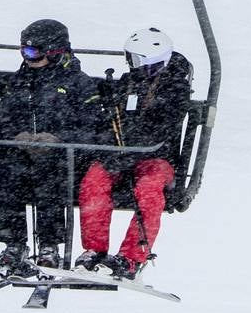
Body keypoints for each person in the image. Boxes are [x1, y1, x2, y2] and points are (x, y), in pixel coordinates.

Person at [0, 18, 102, 275]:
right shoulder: (21, 80)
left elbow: (91, 125)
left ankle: (49, 244)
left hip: (65, 156)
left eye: (33, 52)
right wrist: (17, 136)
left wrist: (58, 140)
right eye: (24, 51)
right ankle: (14, 244)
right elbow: (4, 116)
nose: (28, 58)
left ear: (54, 51)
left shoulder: (78, 83)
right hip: (24, 153)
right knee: (9, 173)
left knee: (48, 176)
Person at [79, 27, 192, 277]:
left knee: (149, 189)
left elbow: (161, 128)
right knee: (94, 182)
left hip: (156, 157)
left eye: (137, 59)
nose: (132, 65)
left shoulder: (175, 89)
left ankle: (131, 257)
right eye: (130, 58)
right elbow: (110, 123)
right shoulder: (127, 83)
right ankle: (94, 250)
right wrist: (110, 145)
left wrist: (133, 150)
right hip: (120, 154)